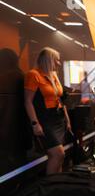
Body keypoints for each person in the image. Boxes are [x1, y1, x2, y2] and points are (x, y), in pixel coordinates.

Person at [24, 47, 72, 175]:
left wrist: (67, 119)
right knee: (58, 154)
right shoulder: (33, 75)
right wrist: (35, 124)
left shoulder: (53, 75)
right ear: (48, 60)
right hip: (45, 119)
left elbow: (60, 99)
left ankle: (57, 185)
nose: (59, 63)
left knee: (59, 157)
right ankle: (50, 186)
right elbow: (28, 101)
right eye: (56, 60)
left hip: (58, 118)